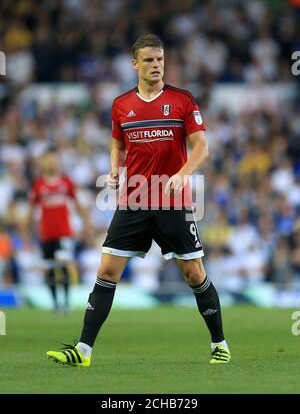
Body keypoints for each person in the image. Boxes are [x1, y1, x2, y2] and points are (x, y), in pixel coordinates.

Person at [46, 34, 231, 365]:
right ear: (135, 64)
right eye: (149, 60)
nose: (156, 65)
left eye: (160, 59)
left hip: (173, 202)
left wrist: (183, 173)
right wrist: (113, 169)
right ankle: (83, 350)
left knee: (194, 274)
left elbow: (202, 146)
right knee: (106, 269)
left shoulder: (182, 100)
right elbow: (117, 144)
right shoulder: (121, 105)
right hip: (134, 200)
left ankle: (220, 343)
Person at [28, 149, 92, 313]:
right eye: (47, 160)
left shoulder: (66, 182)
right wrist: (28, 233)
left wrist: (86, 226)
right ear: (42, 163)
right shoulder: (39, 185)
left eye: (53, 160)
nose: (51, 163)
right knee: (49, 269)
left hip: (64, 233)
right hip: (46, 234)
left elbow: (77, 205)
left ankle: (66, 303)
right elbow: (31, 209)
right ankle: (56, 304)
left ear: (57, 162)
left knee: (63, 266)